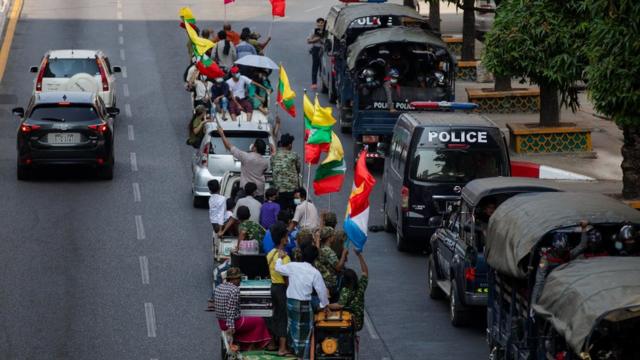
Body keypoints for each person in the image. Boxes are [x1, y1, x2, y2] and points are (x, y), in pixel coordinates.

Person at [274, 245, 332, 359]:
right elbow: (322, 292)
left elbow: (278, 268)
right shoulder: (314, 272)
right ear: (315, 258)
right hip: (304, 303)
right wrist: (325, 305)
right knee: (305, 332)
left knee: (292, 327)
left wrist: (280, 258)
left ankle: (294, 350)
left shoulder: (293, 266)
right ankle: (303, 355)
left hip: (291, 302)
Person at [214, 267, 271, 349]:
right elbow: (230, 309)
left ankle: (244, 344)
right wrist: (231, 326)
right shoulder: (234, 290)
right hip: (232, 323)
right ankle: (251, 347)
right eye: (239, 278)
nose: (240, 280)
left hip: (221, 322)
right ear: (233, 279)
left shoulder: (218, 287)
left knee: (249, 320)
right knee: (259, 321)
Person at [216, 124, 271, 197]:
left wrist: (222, 134)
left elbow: (229, 146)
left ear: (255, 148)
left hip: (245, 192)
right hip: (259, 192)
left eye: (253, 145)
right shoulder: (265, 162)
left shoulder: (245, 156)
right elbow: (264, 171)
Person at [265, 222, 293, 356]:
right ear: (282, 239)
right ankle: (282, 348)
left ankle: (272, 343)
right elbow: (287, 278)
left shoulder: (270, 254)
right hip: (282, 288)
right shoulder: (285, 258)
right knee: (283, 317)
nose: (288, 239)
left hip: (273, 287)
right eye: (287, 236)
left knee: (275, 315)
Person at [338, 249, 369, 332]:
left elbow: (340, 305)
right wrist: (359, 256)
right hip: (359, 323)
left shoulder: (345, 291)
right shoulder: (361, 287)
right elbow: (365, 272)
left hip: (348, 322)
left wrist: (327, 305)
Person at [314, 227, 348, 301]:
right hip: (331, 283)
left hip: (323, 281)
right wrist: (344, 254)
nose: (334, 237)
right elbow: (338, 267)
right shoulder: (328, 251)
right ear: (329, 238)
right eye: (333, 235)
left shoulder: (321, 248)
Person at [271, 133, 301, 212]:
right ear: (290, 144)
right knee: (296, 209)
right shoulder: (294, 155)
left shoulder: (274, 156)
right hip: (292, 190)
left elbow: (272, 168)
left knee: (281, 210)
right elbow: (298, 169)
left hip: (278, 190)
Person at [307, 18, 325, 90]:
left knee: (323, 67)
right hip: (316, 49)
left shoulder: (326, 31)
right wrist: (317, 39)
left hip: (324, 50)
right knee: (315, 66)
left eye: (322, 23)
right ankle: (314, 83)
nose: (320, 24)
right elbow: (308, 41)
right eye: (319, 23)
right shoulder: (314, 31)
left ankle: (324, 82)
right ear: (317, 24)